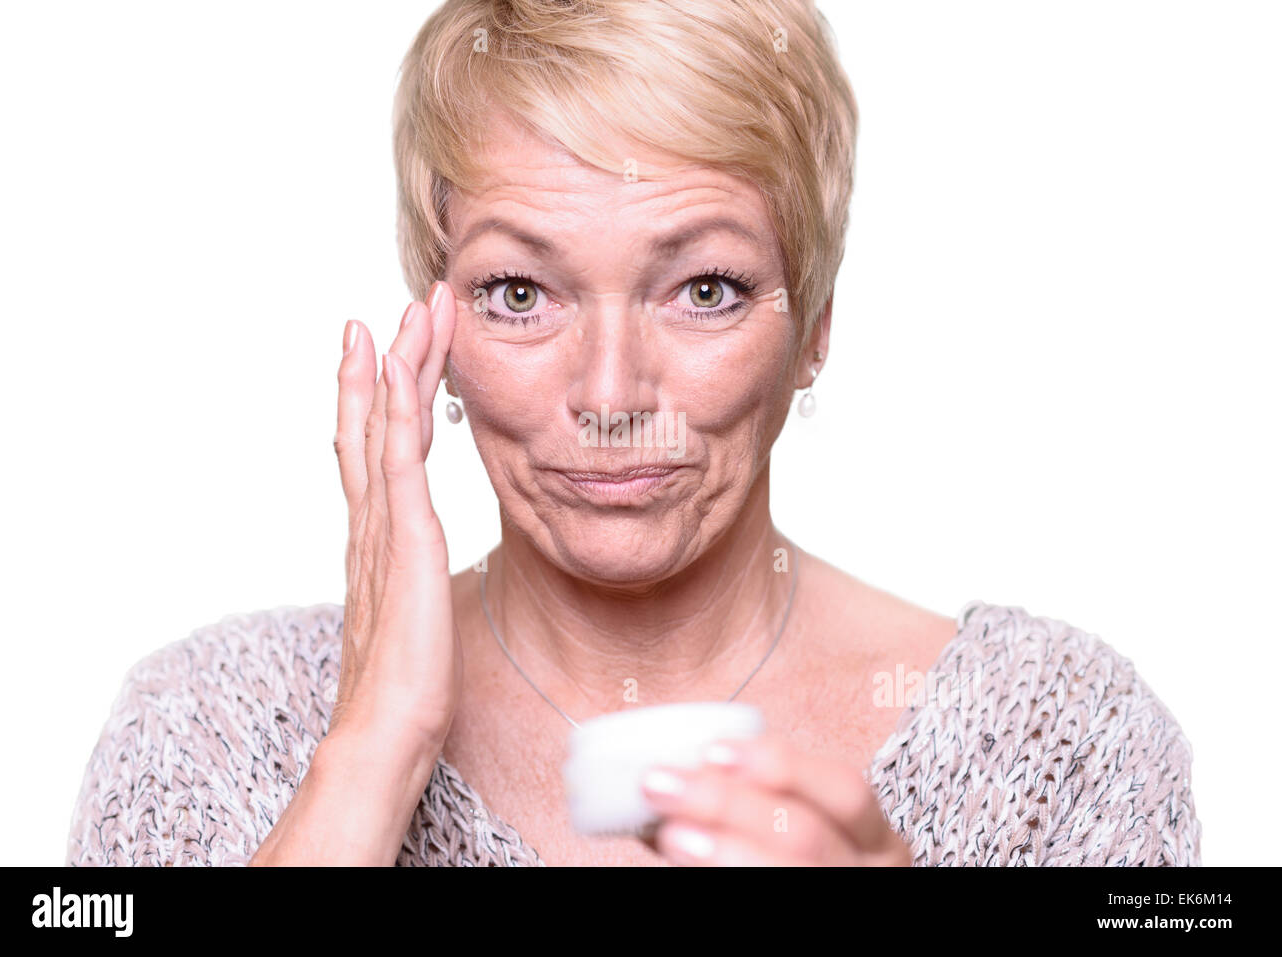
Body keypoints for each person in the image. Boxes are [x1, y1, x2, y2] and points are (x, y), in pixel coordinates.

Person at [66, 0, 1201, 867]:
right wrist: (373, 751)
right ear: (436, 325)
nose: (610, 394)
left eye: (702, 288)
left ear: (814, 327)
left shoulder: (1066, 741)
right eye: (521, 293)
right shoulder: (209, 730)